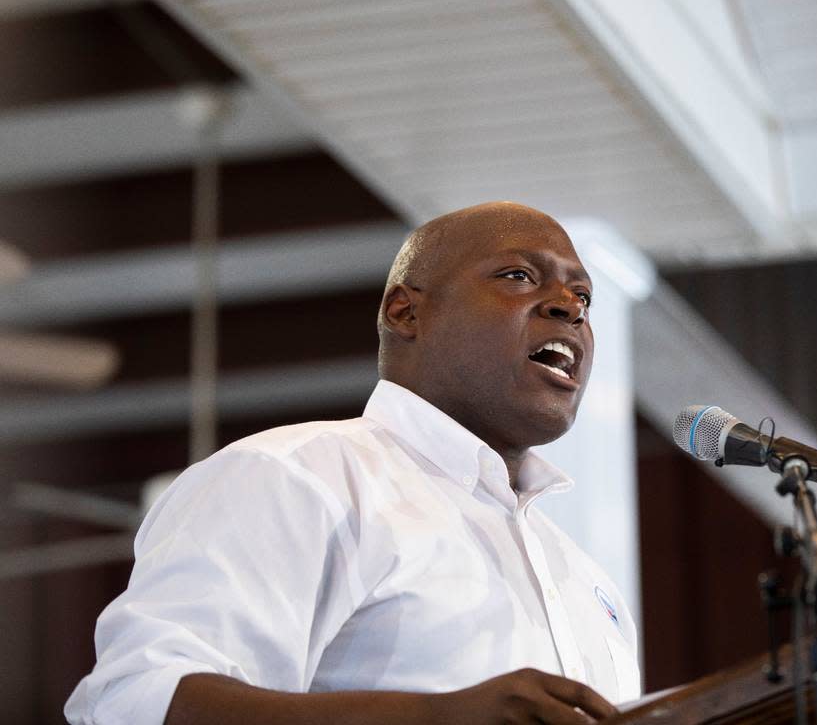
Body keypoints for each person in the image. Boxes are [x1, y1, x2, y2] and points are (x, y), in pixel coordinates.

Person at [65, 202, 641, 725]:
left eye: (583, 297)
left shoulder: (587, 582)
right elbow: (139, 703)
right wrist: (432, 720)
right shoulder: (295, 477)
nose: (569, 307)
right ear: (406, 313)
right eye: (518, 275)